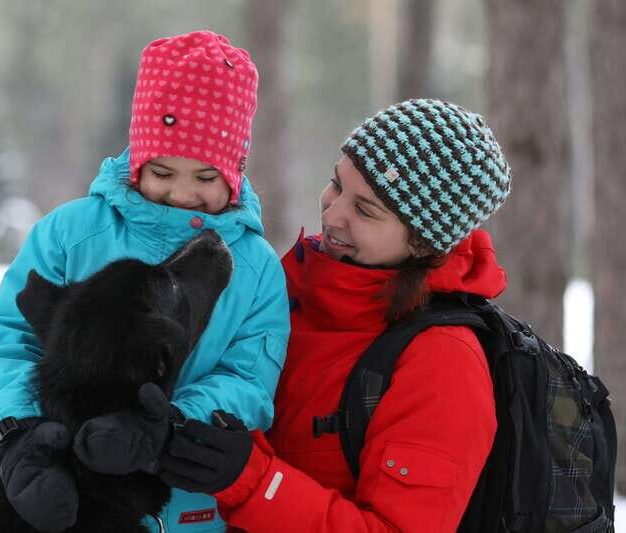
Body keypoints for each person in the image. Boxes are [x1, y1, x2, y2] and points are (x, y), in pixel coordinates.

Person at [0, 30, 290, 533]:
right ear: (137, 158)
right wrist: (17, 432)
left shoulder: (256, 267)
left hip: (178, 504)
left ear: (235, 171)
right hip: (42, 488)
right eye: (162, 171)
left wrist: (164, 425)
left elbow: (248, 379)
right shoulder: (71, 234)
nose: (182, 194)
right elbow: (6, 340)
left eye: (205, 178)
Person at [156, 98, 512, 532]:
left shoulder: (444, 363)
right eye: (337, 184)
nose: (333, 213)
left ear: (422, 243)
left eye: (365, 210)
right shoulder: (288, 289)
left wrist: (252, 482)